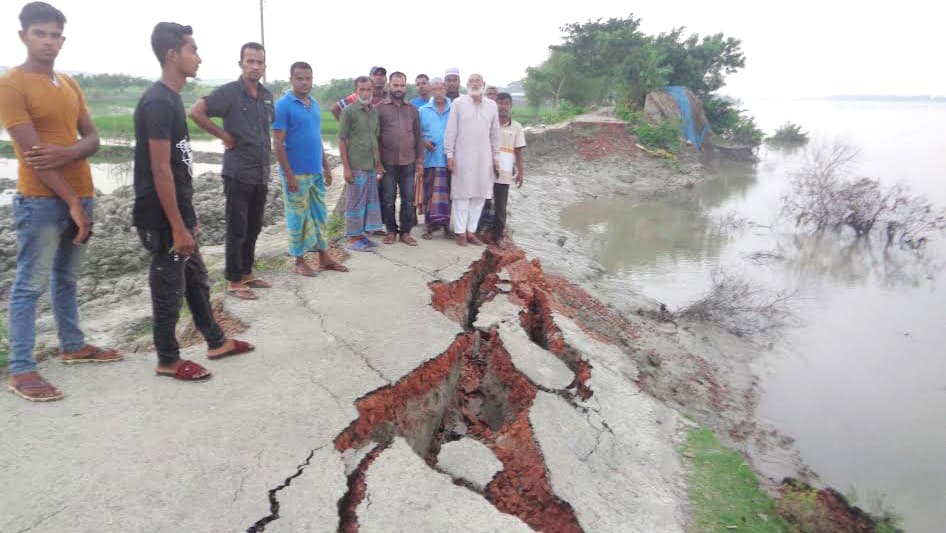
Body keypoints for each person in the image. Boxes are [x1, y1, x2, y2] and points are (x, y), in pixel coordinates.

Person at [0, 1, 121, 401]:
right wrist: (70, 199)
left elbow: (94, 139)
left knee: (67, 280)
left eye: (55, 35)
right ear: (23, 36)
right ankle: (21, 369)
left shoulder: (68, 83)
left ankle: (73, 346)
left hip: (82, 195)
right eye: (40, 34)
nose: (49, 42)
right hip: (41, 202)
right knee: (29, 286)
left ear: (62, 39)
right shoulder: (12, 85)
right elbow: (35, 156)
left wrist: (69, 154)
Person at [134, 22, 253, 382]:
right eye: (192, 50)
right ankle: (167, 359)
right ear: (172, 55)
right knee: (168, 290)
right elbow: (159, 169)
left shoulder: (172, 99)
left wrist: (189, 215)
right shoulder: (157, 102)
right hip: (160, 217)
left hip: (177, 215)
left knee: (197, 280)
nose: (198, 57)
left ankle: (216, 341)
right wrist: (176, 225)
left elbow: (177, 165)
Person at [188, 42, 274, 301]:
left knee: (254, 226)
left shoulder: (267, 96)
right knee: (237, 228)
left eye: (259, 62)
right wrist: (223, 135)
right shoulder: (229, 93)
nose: (255, 66)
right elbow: (196, 111)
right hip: (238, 172)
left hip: (260, 172)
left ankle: (246, 272)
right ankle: (234, 280)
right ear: (241, 64)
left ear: (264, 65)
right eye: (250, 61)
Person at [272, 62, 349, 276]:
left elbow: (316, 139)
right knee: (298, 218)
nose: (305, 82)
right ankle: (299, 260)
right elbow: (278, 143)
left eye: (308, 78)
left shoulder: (313, 104)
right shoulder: (283, 105)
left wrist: (325, 167)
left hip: (315, 171)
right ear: (291, 80)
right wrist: (289, 176)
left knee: (319, 215)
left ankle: (324, 257)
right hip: (295, 173)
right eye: (300, 78)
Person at [443, 73, 499, 247]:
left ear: (483, 84)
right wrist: (449, 155)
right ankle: (460, 232)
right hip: (463, 156)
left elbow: (495, 134)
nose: (475, 84)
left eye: (478, 81)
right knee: (462, 196)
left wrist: (496, 157)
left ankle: (471, 231)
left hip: (484, 158)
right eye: (472, 81)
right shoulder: (459, 104)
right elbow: (450, 131)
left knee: (480, 196)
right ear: (467, 85)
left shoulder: (491, 106)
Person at [376, 71, 424, 246]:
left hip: (408, 161)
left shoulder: (412, 109)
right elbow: (375, 138)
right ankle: (390, 231)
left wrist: (419, 161)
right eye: (395, 85)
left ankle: (405, 232)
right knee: (388, 199)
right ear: (390, 86)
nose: (399, 88)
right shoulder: (380, 108)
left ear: (406, 86)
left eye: (402, 85)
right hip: (387, 162)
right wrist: (377, 161)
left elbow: (418, 136)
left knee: (408, 199)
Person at [338, 76, 384, 251]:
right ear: (356, 91)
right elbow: (342, 140)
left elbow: (374, 138)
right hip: (356, 166)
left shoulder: (374, 112)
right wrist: (346, 168)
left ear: (373, 91)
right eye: (362, 89)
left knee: (367, 202)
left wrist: (378, 163)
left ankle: (361, 235)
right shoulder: (348, 112)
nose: (366, 93)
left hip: (370, 166)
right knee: (355, 202)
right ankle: (352, 239)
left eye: (369, 89)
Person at [477, 92, 525, 245]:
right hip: (485, 168)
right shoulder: (488, 123)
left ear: (510, 106)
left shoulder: (516, 127)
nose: (503, 107)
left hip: (504, 171)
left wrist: (521, 172)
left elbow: (518, 151)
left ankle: (497, 236)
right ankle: (476, 232)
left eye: (506, 103)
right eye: (500, 103)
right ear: (495, 104)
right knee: (481, 201)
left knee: (500, 205)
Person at [418, 78, 452, 240]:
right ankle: (429, 226)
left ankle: (446, 226)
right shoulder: (423, 111)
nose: (438, 93)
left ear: (445, 90)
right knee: (429, 194)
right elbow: (416, 134)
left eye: (441, 89)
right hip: (430, 159)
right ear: (431, 91)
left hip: (449, 159)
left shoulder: (454, 109)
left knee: (449, 193)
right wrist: (424, 142)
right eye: (435, 89)